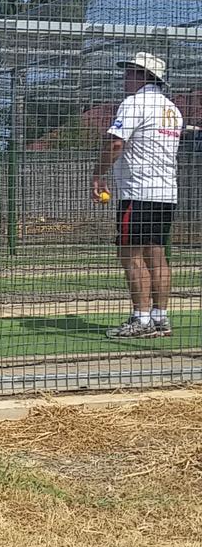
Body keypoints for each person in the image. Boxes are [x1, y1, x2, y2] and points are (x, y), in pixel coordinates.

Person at [91, 52, 183, 338]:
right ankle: (160, 318)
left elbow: (116, 143)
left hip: (138, 192)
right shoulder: (172, 109)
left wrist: (98, 174)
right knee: (157, 256)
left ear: (147, 77)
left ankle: (141, 320)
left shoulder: (134, 103)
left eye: (132, 72)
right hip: (166, 193)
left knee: (130, 256)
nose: (125, 78)